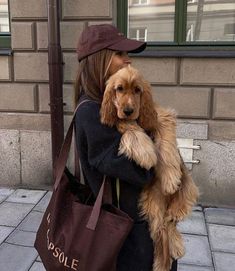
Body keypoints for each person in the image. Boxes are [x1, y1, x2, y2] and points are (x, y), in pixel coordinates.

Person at [74, 24, 177, 271]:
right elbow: (141, 171)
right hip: (128, 231)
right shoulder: (91, 111)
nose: (127, 60)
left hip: (137, 223)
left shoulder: (112, 105)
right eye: (119, 54)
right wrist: (162, 148)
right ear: (99, 60)